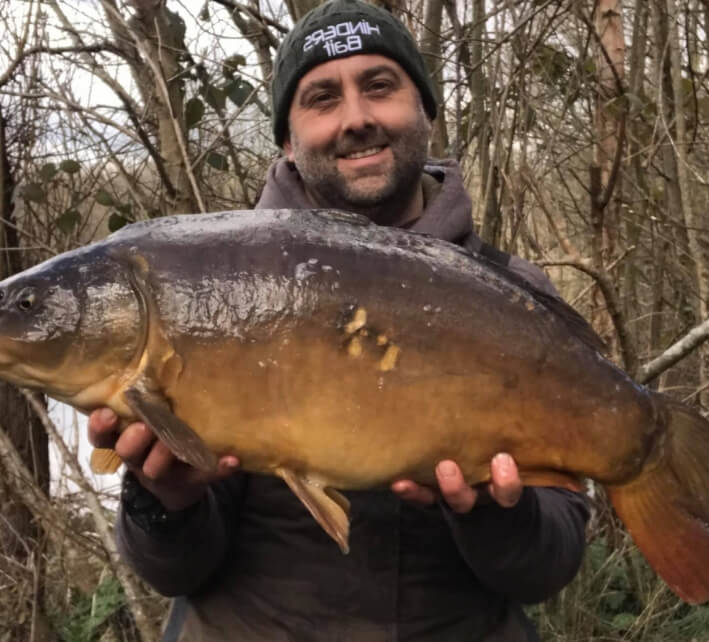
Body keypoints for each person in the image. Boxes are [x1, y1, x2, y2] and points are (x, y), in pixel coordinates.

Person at [88, 1, 589, 639]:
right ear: (287, 142)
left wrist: (495, 515)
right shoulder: (215, 288)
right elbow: (176, 572)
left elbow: (549, 567)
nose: (356, 118)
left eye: (379, 87)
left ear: (426, 112)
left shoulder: (516, 298)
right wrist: (164, 504)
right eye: (322, 98)